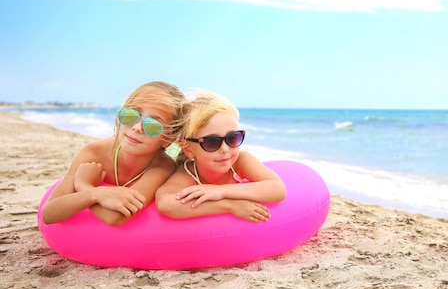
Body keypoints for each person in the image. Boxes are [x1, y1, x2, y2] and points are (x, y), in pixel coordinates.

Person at [41, 81, 185, 226]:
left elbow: (115, 217)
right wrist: (96, 195)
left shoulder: (161, 167)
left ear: (169, 138)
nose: (136, 127)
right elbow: (48, 214)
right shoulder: (94, 152)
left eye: (153, 125)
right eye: (130, 115)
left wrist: (85, 186)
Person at [156, 90, 287, 223]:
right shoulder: (188, 173)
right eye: (211, 142)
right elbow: (166, 203)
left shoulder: (241, 161)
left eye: (233, 138)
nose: (225, 149)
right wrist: (229, 206)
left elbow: (278, 189)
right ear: (188, 148)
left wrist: (221, 191)